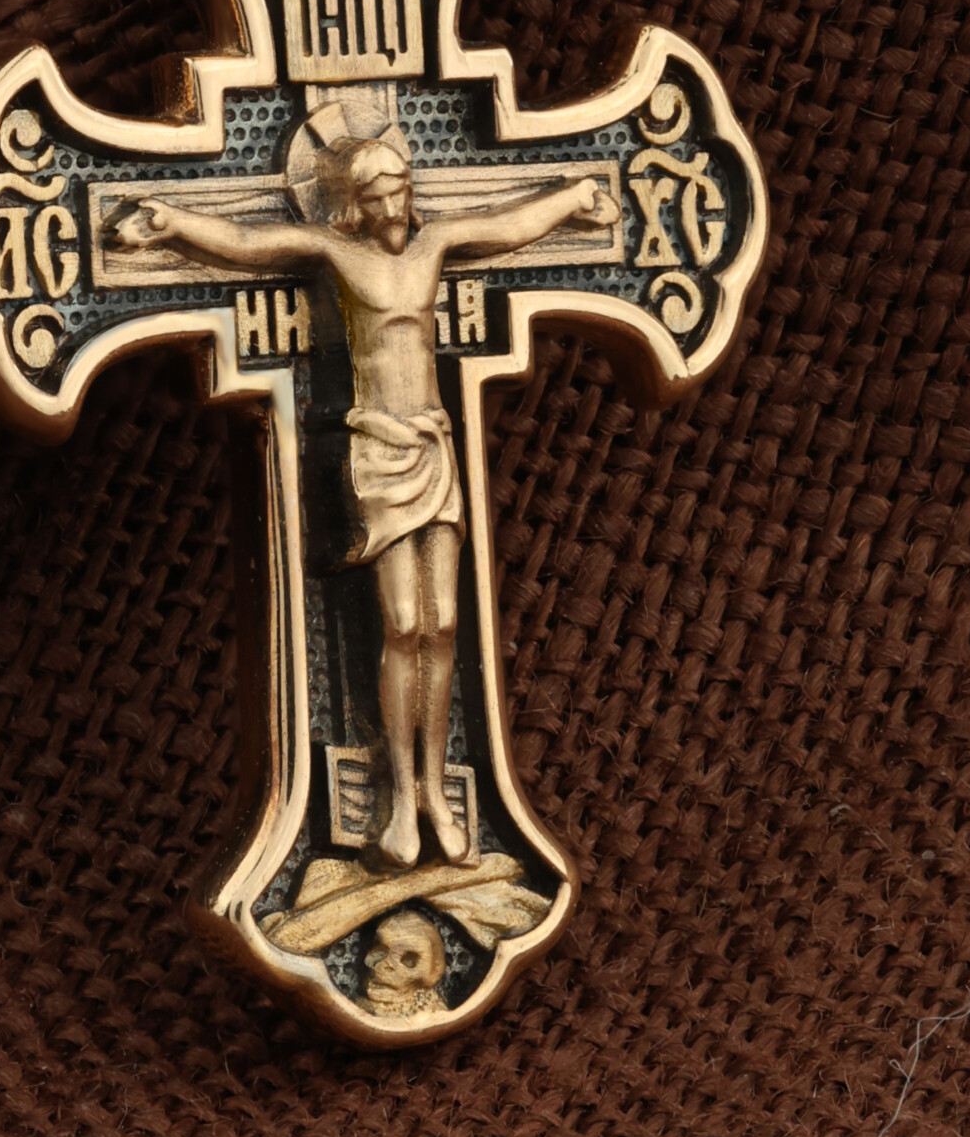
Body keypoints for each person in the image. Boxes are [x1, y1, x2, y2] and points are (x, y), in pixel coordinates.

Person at [112, 135, 617, 866]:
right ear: (353, 203)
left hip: (433, 446)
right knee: (402, 623)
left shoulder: (434, 246)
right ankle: (400, 796)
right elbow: (250, 244)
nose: (392, 207)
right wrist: (173, 222)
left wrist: (571, 200)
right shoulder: (337, 256)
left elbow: (506, 225)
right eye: (376, 197)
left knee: (444, 623)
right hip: (377, 453)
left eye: (399, 190)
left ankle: (436, 793)